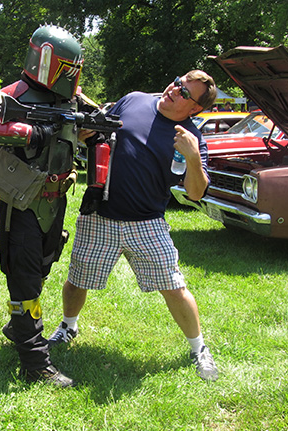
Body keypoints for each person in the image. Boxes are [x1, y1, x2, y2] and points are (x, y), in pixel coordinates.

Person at [48, 71, 221, 382]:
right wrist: (87, 132)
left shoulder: (190, 137)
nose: (175, 90)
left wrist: (193, 158)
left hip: (147, 223)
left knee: (175, 288)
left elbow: (196, 193)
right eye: (178, 83)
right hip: (101, 214)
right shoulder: (134, 100)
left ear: (195, 109)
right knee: (77, 280)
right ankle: (68, 327)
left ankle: (199, 349)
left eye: (185, 93)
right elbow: (99, 131)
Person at [0, 24, 91, 387]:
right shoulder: (14, 93)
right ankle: (34, 360)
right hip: (22, 200)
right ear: (48, 62)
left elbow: (98, 125)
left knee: (42, 267)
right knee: (24, 279)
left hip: (57, 198)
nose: (72, 77)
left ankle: (19, 327)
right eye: (67, 68)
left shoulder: (73, 98)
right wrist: (26, 132)